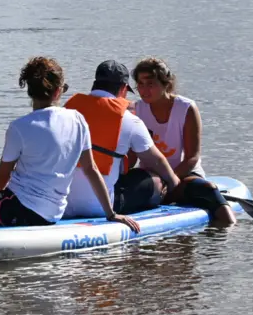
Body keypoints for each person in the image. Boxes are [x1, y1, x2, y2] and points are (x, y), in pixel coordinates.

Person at [0, 57, 142, 234]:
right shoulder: (77, 119)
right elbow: (91, 169)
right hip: (54, 211)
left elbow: (1, 179)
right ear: (58, 91)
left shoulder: (20, 127)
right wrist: (111, 214)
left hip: (22, 208)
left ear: (30, 92)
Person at [62, 60, 181, 219]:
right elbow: (157, 161)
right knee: (156, 180)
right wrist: (175, 184)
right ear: (123, 89)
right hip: (102, 207)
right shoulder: (128, 120)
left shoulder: (66, 110)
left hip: (63, 204)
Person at [132, 57, 236, 224]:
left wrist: (170, 180)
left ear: (166, 83)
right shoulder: (136, 109)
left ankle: (228, 233)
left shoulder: (186, 108)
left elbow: (192, 157)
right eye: (140, 84)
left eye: (150, 84)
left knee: (207, 190)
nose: (144, 90)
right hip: (152, 178)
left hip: (184, 175)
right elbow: (131, 155)